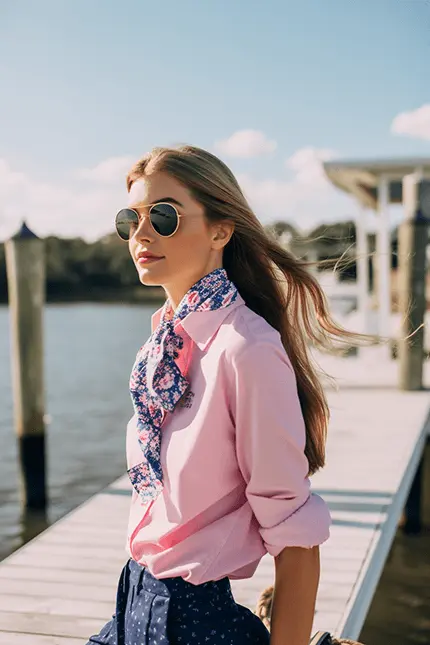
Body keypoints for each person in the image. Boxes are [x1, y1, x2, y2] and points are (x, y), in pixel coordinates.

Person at [86, 145, 365, 645]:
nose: (141, 234)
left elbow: (294, 533)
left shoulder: (246, 349)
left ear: (221, 229)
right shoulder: (163, 346)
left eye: (164, 216)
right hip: (134, 601)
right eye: (131, 219)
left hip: (194, 624)